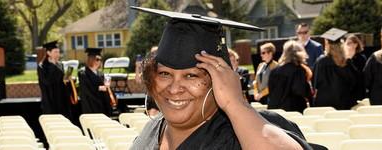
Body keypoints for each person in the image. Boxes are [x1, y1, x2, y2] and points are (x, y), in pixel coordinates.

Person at [130, 7, 311, 150]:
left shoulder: (248, 131)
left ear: (221, 82)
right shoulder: (151, 131)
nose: (174, 88)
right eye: (164, 74)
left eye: (191, 75)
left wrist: (235, 105)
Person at [312, 28, 358, 110]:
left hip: (324, 104)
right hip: (344, 102)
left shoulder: (321, 62)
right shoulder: (347, 62)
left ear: (327, 44)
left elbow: (315, 84)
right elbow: (354, 82)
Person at [268, 41, 313, 113]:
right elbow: (300, 91)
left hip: (275, 109)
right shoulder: (299, 70)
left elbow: (271, 92)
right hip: (293, 110)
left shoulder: (274, 71)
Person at [38, 41, 72, 119]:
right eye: (55, 52)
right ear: (48, 53)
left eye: (58, 52)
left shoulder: (60, 64)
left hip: (62, 100)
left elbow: (63, 81)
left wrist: (68, 80)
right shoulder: (42, 66)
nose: (58, 54)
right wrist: (53, 65)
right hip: (50, 101)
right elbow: (47, 82)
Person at [78, 48, 113, 116]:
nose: (99, 62)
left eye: (100, 60)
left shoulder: (100, 73)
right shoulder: (83, 73)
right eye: (97, 59)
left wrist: (107, 86)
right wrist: (99, 88)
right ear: (91, 59)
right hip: (90, 105)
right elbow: (86, 89)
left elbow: (105, 88)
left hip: (102, 105)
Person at [344, 34, 368, 101]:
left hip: (358, 90)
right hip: (346, 90)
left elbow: (361, 75)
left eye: (349, 43)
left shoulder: (361, 58)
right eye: (345, 43)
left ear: (356, 45)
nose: (346, 45)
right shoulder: (343, 58)